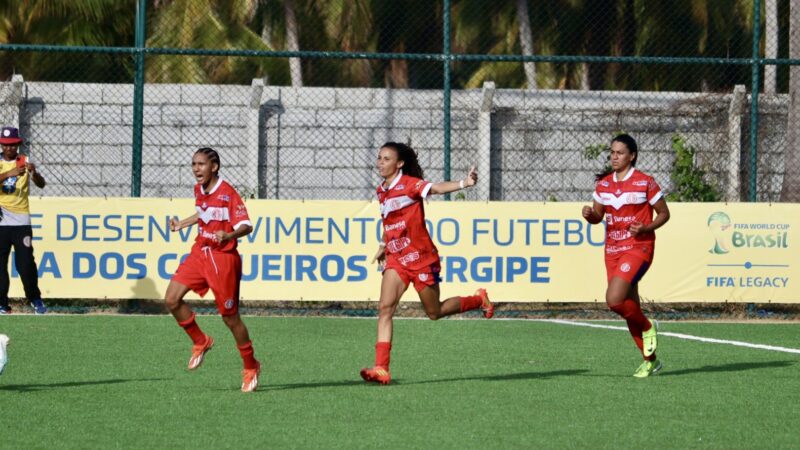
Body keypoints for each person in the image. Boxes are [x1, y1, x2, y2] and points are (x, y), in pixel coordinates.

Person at [360, 142, 494, 385]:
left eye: (386, 158)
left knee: (435, 312)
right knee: (385, 308)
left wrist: (464, 183)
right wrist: (383, 245)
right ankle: (381, 368)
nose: (380, 162)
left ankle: (478, 299)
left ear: (399, 163)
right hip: (398, 259)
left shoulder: (410, 184)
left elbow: (436, 188)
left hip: (422, 259)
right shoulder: (382, 189)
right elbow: (389, 220)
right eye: (379, 157)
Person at [165, 147, 261, 393]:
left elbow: (246, 225)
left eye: (201, 164)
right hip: (201, 252)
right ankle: (200, 340)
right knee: (171, 299)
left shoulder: (228, 193)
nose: (196, 169)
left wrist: (228, 234)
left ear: (214, 166)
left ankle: (251, 366)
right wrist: (181, 224)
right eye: (194, 164)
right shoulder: (199, 189)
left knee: (230, 317)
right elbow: (203, 213)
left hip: (223, 258)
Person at [581, 134, 670, 378]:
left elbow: (664, 213)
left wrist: (645, 228)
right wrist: (591, 215)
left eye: (620, 153)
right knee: (628, 306)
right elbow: (599, 216)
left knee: (614, 299)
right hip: (612, 251)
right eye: (612, 152)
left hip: (638, 247)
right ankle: (650, 360)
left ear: (632, 156)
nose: (614, 157)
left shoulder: (645, 182)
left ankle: (649, 326)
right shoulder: (604, 185)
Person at [0, 126, 47, 315]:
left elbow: (41, 184)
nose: (9, 149)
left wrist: (34, 174)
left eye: (12, 145)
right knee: (0, 265)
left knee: (25, 263)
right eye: (5, 145)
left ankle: (35, 299)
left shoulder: (24, 161)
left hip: (21, 222)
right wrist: (7, 175)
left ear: (18, 144)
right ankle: (2, 303)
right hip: (1, 221)